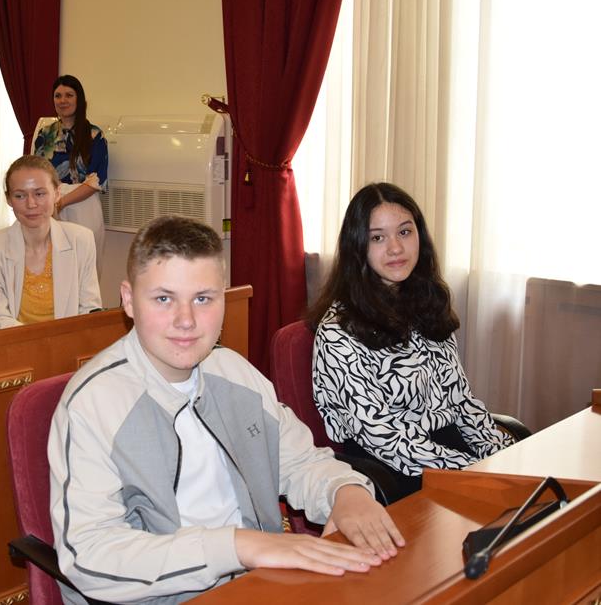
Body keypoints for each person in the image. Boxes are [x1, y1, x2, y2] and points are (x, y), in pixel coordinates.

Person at [48, 215, 404, 604]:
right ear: (129, 300)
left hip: (259, 583)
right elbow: (89, 556)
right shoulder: (92, 405)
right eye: (164, 299)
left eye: (203, 298)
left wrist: (345, 490)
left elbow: (301, 462)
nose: (186, 321)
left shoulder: (235, 373)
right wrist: (236, 546)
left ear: (223, 299)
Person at [309, 182, 514, 502]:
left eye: (404, 232)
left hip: (449, 454)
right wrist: (473, 471)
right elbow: (382, 437)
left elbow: (461, 402)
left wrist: (504, 456)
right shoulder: (338, 333)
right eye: (378, 238)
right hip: (395, 470)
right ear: (357, 247)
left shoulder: (426, 306)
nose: (395, 248)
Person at [0, 155, 101, 331]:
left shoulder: (81, 240)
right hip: (16, 343)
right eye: (20, 196)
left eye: (40, 193)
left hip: (69, 342)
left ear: (57, 193)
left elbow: (89, 309)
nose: (31, 204)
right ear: (9, 199)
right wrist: (42, 343)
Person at [33, 75, 108, 274]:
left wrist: (62, 203)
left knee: (85, 270)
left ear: (79, 99)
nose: (62, 100)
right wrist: (51, 203)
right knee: (54, 269)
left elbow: (96, 181)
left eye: (69, 95)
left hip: (83, 205)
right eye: (57, 96)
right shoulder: (44, 134)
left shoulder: (94, 135)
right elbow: (37, 173)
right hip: (51, 205)